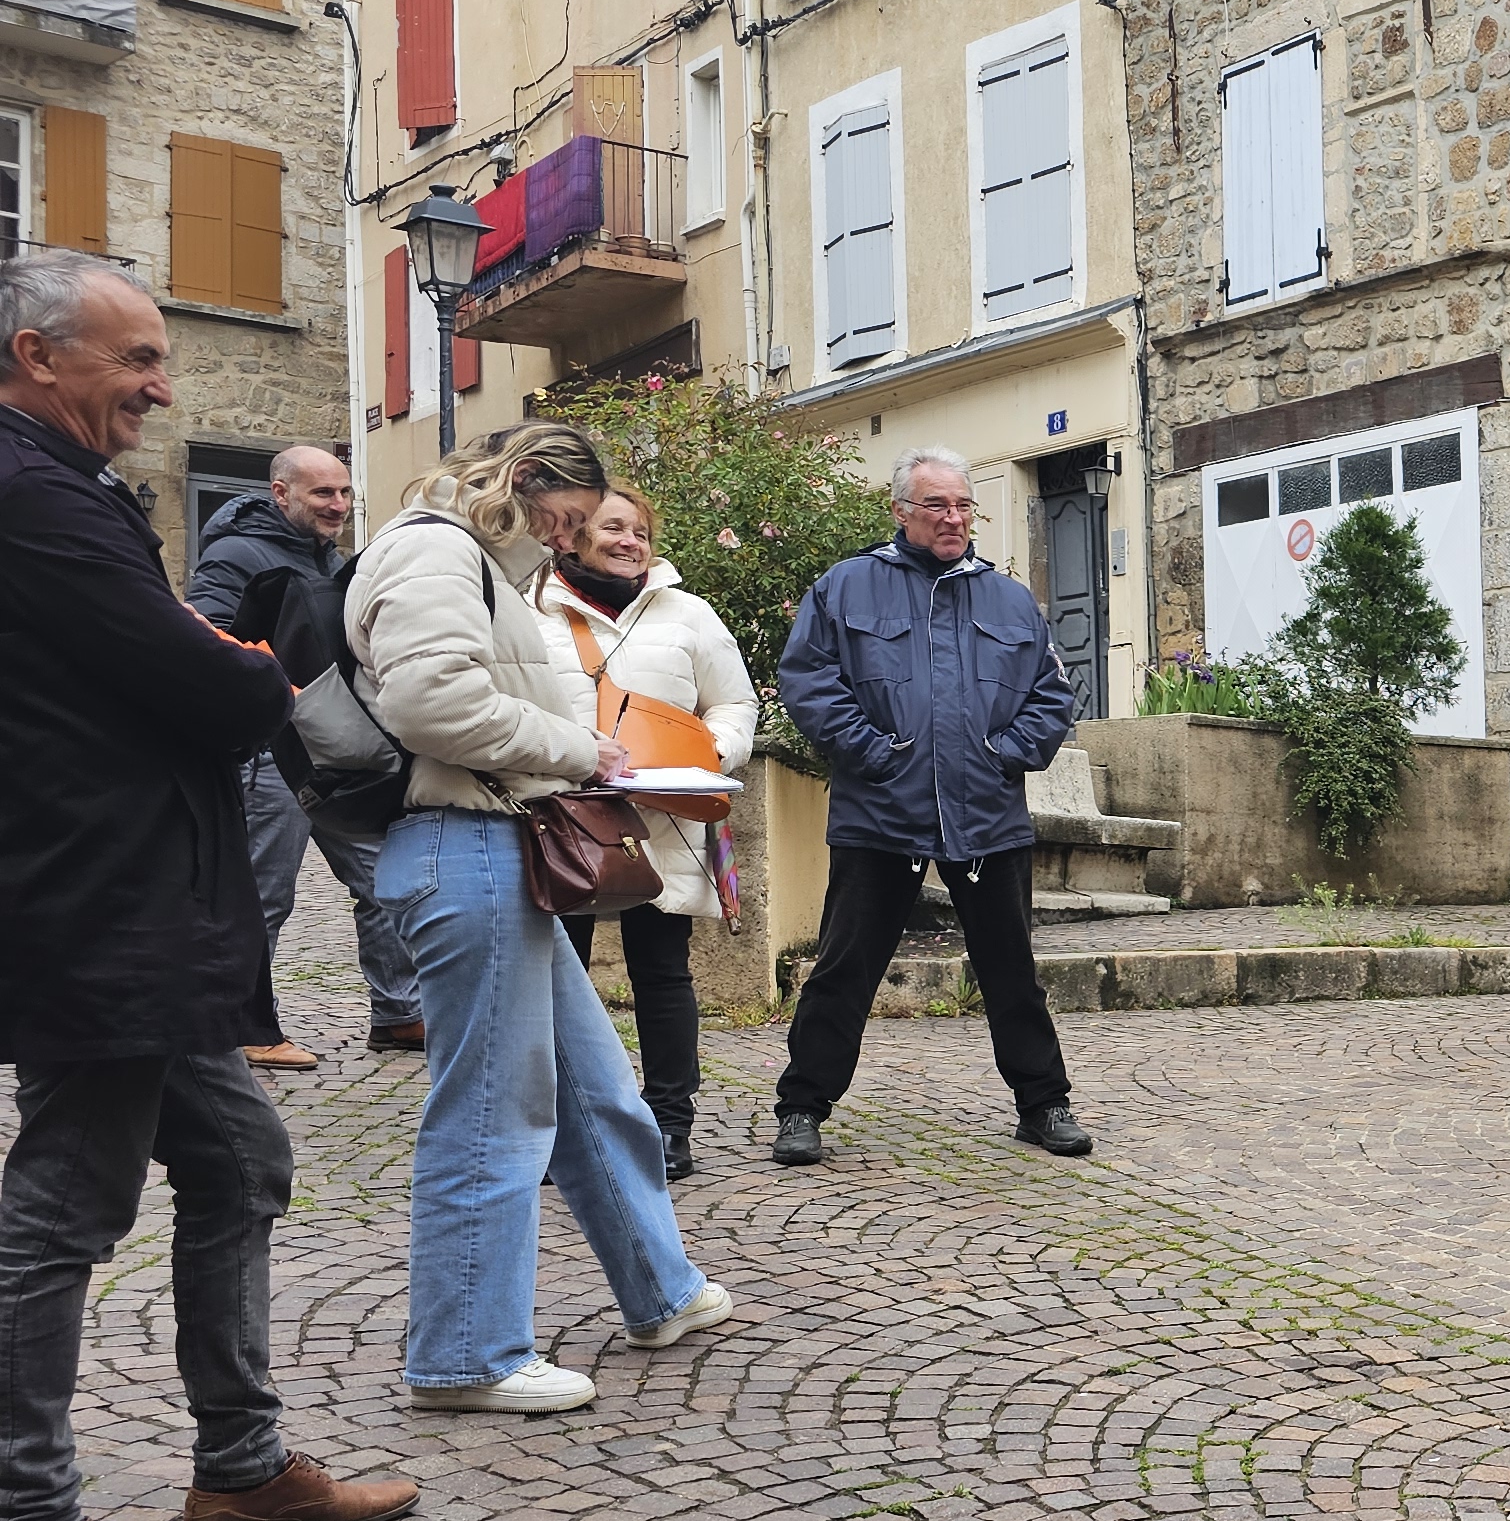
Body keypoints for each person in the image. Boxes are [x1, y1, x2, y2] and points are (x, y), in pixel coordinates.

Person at [0, 249, 418, 1521]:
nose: (159, 389)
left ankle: (239, 1469)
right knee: (64, 1205)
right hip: (92, 909)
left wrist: (215, 665)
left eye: (162, 359)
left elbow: (186, 664)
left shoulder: (63, 491)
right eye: (133, 361)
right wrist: (238, 669)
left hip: (137, 908)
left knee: (240, 1155)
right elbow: (213, 683)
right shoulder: (30, 496)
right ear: (33, 354)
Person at [350, 422, 736, 1414]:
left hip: (493, 843)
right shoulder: (434, 548)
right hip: (466, 845)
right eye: (562, 519)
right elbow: (430, 701)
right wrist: (577, 750)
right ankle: (467, 1352)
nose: (564, 541)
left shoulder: (469, 555)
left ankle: (662, 1290)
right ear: (524, 482)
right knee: (491, 1105)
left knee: (594, 1085)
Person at [770, 447, 1088, 1165]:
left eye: (964, 505)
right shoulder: (845, 588)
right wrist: (876, 755)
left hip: (988, 817)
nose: (953, 518)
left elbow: (1051, 695)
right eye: (937, 505)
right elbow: (809, 682)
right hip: (881, 815)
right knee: (843, 968)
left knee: (1013, 972)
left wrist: (1003, 755)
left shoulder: (1009, 599)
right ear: (902, 512)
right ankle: (802, 1107)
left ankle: (1043, 1104)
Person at [536, 487, 756, 1182]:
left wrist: (708, 757)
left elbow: (733, 702)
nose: (629, 540)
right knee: (553, 982)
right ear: (572, 534)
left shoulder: (688, 613)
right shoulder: (526, 607)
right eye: (612, 527)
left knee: (663, 975)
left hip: (661, 817)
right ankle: (560, 1125)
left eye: (639, 530)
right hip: (560, 818)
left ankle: (669, 1123)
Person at [186, 443, 427, 1067]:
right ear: (282, 492)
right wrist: (278, 692)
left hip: (331, 748)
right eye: (324, 493)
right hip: (269, 751)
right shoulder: (237, 553)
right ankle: (246, 1028)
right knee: (264, 893)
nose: (339, 505)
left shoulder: (332, 557)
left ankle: (400, 1013)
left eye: (345, 493)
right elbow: (207, 633)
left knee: (382, 879)